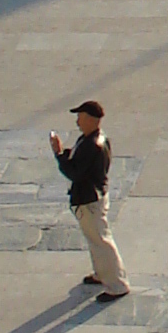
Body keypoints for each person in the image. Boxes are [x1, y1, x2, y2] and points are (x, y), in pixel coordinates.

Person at [51, 101, 129, 298]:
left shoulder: (91, 144)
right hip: (94, 196)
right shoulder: (96, 140)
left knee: (101, 241)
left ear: (89, 119)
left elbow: (75, 173)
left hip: (89, 201)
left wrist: (59, 154)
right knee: (95, 239)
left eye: (80, 117)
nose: (77, 122)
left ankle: (117, 285)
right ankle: (101, 274)